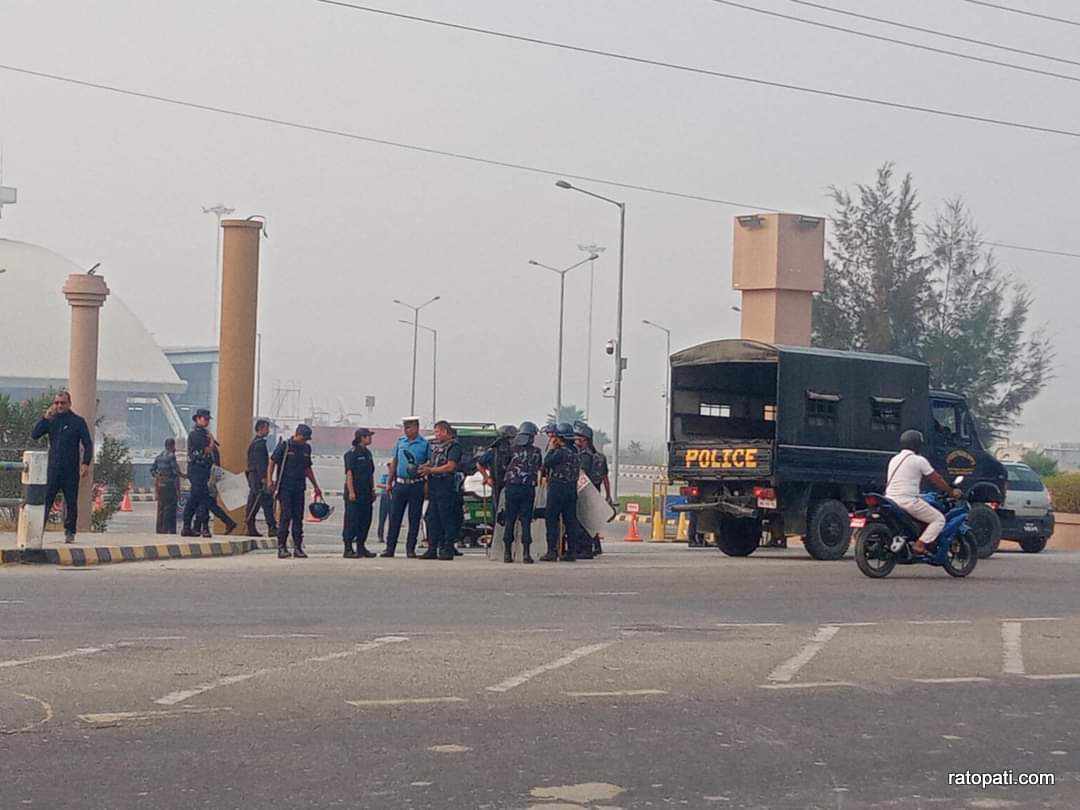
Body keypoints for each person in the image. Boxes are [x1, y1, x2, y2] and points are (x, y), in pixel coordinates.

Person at [886, 429, 962, 555]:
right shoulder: (919, 460)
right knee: (939, 519)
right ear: (917, 444)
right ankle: (920, 544)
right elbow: (936, 479)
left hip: (890, 500)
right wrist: (950, 491)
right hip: (907, 501)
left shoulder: (894, 459)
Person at [31, 390, 93, 543]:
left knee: (71, 502)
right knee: (46, 500)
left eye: (62, 403)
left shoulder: (78, 421)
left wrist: (85, 463)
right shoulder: (51, 420)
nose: (59, 406)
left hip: (70, 470)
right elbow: (34, 435)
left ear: (69, 404)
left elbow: (88, 444)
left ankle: (70, 532)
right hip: (53, 469)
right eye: (57, 403)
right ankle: (39, 531)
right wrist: (44, 418)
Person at [268, 423, 323, 559]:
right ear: (297, 434)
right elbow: (272, 462)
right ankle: (282, 547)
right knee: (285, 516)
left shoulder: (306, 448)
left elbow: (307, 468)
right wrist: (269, 480)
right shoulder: (285, 446)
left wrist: (316, 485)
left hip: (299, 487)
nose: (305, 441)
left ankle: (298, 548)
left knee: (298, 518)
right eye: (304, 438)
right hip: (285, 487)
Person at [381, 417, 430, 558]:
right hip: (400, 484)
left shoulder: (424, 444)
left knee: (414, 519)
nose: (406, 430)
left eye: (409, 427)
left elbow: (430, 462)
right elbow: (394, 462)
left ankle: (410, 549)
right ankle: (390, 548)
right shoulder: (400, 442)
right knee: (395, 517)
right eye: (405, 427)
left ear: (416, 427)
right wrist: (389, 482)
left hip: (416, 484)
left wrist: (423, 468)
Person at [418, 420, 462, 561]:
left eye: (437, 431)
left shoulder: (454, 447)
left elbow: (450, 466)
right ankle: (432, 548)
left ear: (444, 431)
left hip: (446, 486)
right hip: (434, 485)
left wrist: (430, 470)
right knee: (431, 518)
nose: (436, 435)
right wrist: (423, 468)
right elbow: (432, 462)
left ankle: (447, 548)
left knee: (446, 518)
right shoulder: (435, 447)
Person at [501, 420, 543, 564]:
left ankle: (507, 553)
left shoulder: (511, 450)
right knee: (526, 521)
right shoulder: (536, 452)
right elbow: (539, 467)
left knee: (510, 520)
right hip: (528, 489)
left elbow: (503, 465)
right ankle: (526, 554)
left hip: (512, 488)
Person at [541, 422, 581, 562]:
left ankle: (552, 551)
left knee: (552, 520)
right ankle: (571, 552)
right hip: (571, 489)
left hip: (557, 489)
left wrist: (551, 448)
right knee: (570, 521)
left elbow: (546, 463)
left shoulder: (559, 452)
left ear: (560, 438)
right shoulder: (576, 452)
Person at [574, 422, 612, 556]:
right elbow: (605, 478)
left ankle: (586, 549)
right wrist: (608, 494)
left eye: (577, 438)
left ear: (584, 439)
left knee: (583, 520)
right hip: (595, 490)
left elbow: (582, 474)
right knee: (591, 519)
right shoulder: (599, 456)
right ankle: (596, 547)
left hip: (585, 490)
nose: (575, 441)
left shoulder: (584, 456)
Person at [343, 428, 377, 558]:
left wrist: (372, 490)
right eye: (368, 436)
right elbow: (349, 473)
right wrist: (351, 492)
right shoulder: (352, 454)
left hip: (366, 492)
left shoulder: (368, 453)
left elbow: (370, 474)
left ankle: (361, 546)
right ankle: (348, 548)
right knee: (351, 520)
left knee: (365, 520)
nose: (370, 438)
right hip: (355, 492)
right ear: (362, 438)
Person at [181, 408, 216, 537]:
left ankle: (191, 527)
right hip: (197, 470)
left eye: (208, 419)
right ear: (198, 419)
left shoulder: (203, 433)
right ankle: (201, 527)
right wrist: (211, 441)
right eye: (204, 419)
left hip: (203, 471)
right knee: (202, 499)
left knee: (196, 500)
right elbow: (206, 451)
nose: (207, 421)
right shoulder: (196, 434)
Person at [244, 419, 277, 537]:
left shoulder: (255, 442)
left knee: (253, 502)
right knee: (266, 501)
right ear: (261, 428)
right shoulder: (259, 444)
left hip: (253, 476)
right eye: (267, 428)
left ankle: (250, 527)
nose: (268, 431)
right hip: (258, 477)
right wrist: (265, 478)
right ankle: (272, 527)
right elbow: (260, 463)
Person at [151, 438, 184, 534]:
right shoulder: (171, 456)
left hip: (160, 485)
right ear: (172, 446)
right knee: (170, 508)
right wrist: (184, 476)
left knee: (161, 508)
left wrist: (158, 476)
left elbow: (152, 470)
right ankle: (169, 529)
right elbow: (176, 472)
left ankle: (160, 530)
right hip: (169, 485)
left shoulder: (159, 456)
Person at [194, 464, 238, 537]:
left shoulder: (209, 454)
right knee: (207, 505)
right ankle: (199, 527)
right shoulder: (212, 454)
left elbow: (211, 466)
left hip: (209, 481)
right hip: (210, 480)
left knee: (208, 505)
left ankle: (202, 528)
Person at [376, 461, 392, 542]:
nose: (389, 468)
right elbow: (378, 484)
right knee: (382, 518)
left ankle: (390, 536)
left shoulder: (396, 476)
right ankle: (380, 536)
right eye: (388, 466)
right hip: (385, 496)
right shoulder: (385, 476)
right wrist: (388, 486)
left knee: (392, 518)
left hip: (393, 497)